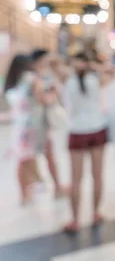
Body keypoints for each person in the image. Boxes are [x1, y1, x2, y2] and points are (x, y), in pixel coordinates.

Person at [63, 53, 109, 232]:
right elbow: (109, 72)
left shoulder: (70, 83)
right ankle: (96, 212)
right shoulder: (95, 80)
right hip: (97, 128)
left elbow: (69, 108)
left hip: (77, 130)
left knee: (76, 178)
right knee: (97, 175)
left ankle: (75, 219)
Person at [30, 49, 67, 198]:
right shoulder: (34, 78)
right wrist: (51, 93)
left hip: (39, 122)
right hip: (37, 123)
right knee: (41, 155)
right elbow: (44, 98)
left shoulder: (42, 76)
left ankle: (41, 185)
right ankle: (50, 186)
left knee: (40, 155)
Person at [4, 55, 39, 205]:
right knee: (25, 160)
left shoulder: (12, 84)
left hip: (20, 126)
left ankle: (26, 191)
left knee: (24, 160)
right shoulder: (28, 80)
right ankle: (27, 191)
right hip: (27, 126)